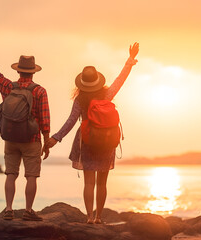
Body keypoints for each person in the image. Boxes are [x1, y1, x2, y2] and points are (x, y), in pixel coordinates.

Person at [45, 42, 139, 224]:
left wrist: (56, 138)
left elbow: (71, 121)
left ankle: (88, 217)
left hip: (87, 140)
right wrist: (129, 61)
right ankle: (98, 217)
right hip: (106, 140)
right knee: (102, 183)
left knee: (89, 183)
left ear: (82, 83)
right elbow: (120, 80)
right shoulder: (106, 95)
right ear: (97, 80)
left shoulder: (80, 99)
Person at [0, 26, 50, 221]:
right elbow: (44, 118)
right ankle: (28, 211)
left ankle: (8, 209)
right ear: (33, 72)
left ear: (19, 71)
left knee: (11, 174)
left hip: (11, 137)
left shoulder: (8, 86)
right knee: (31, 176)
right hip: (32, 139)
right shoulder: (39, 91)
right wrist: (47, 141)